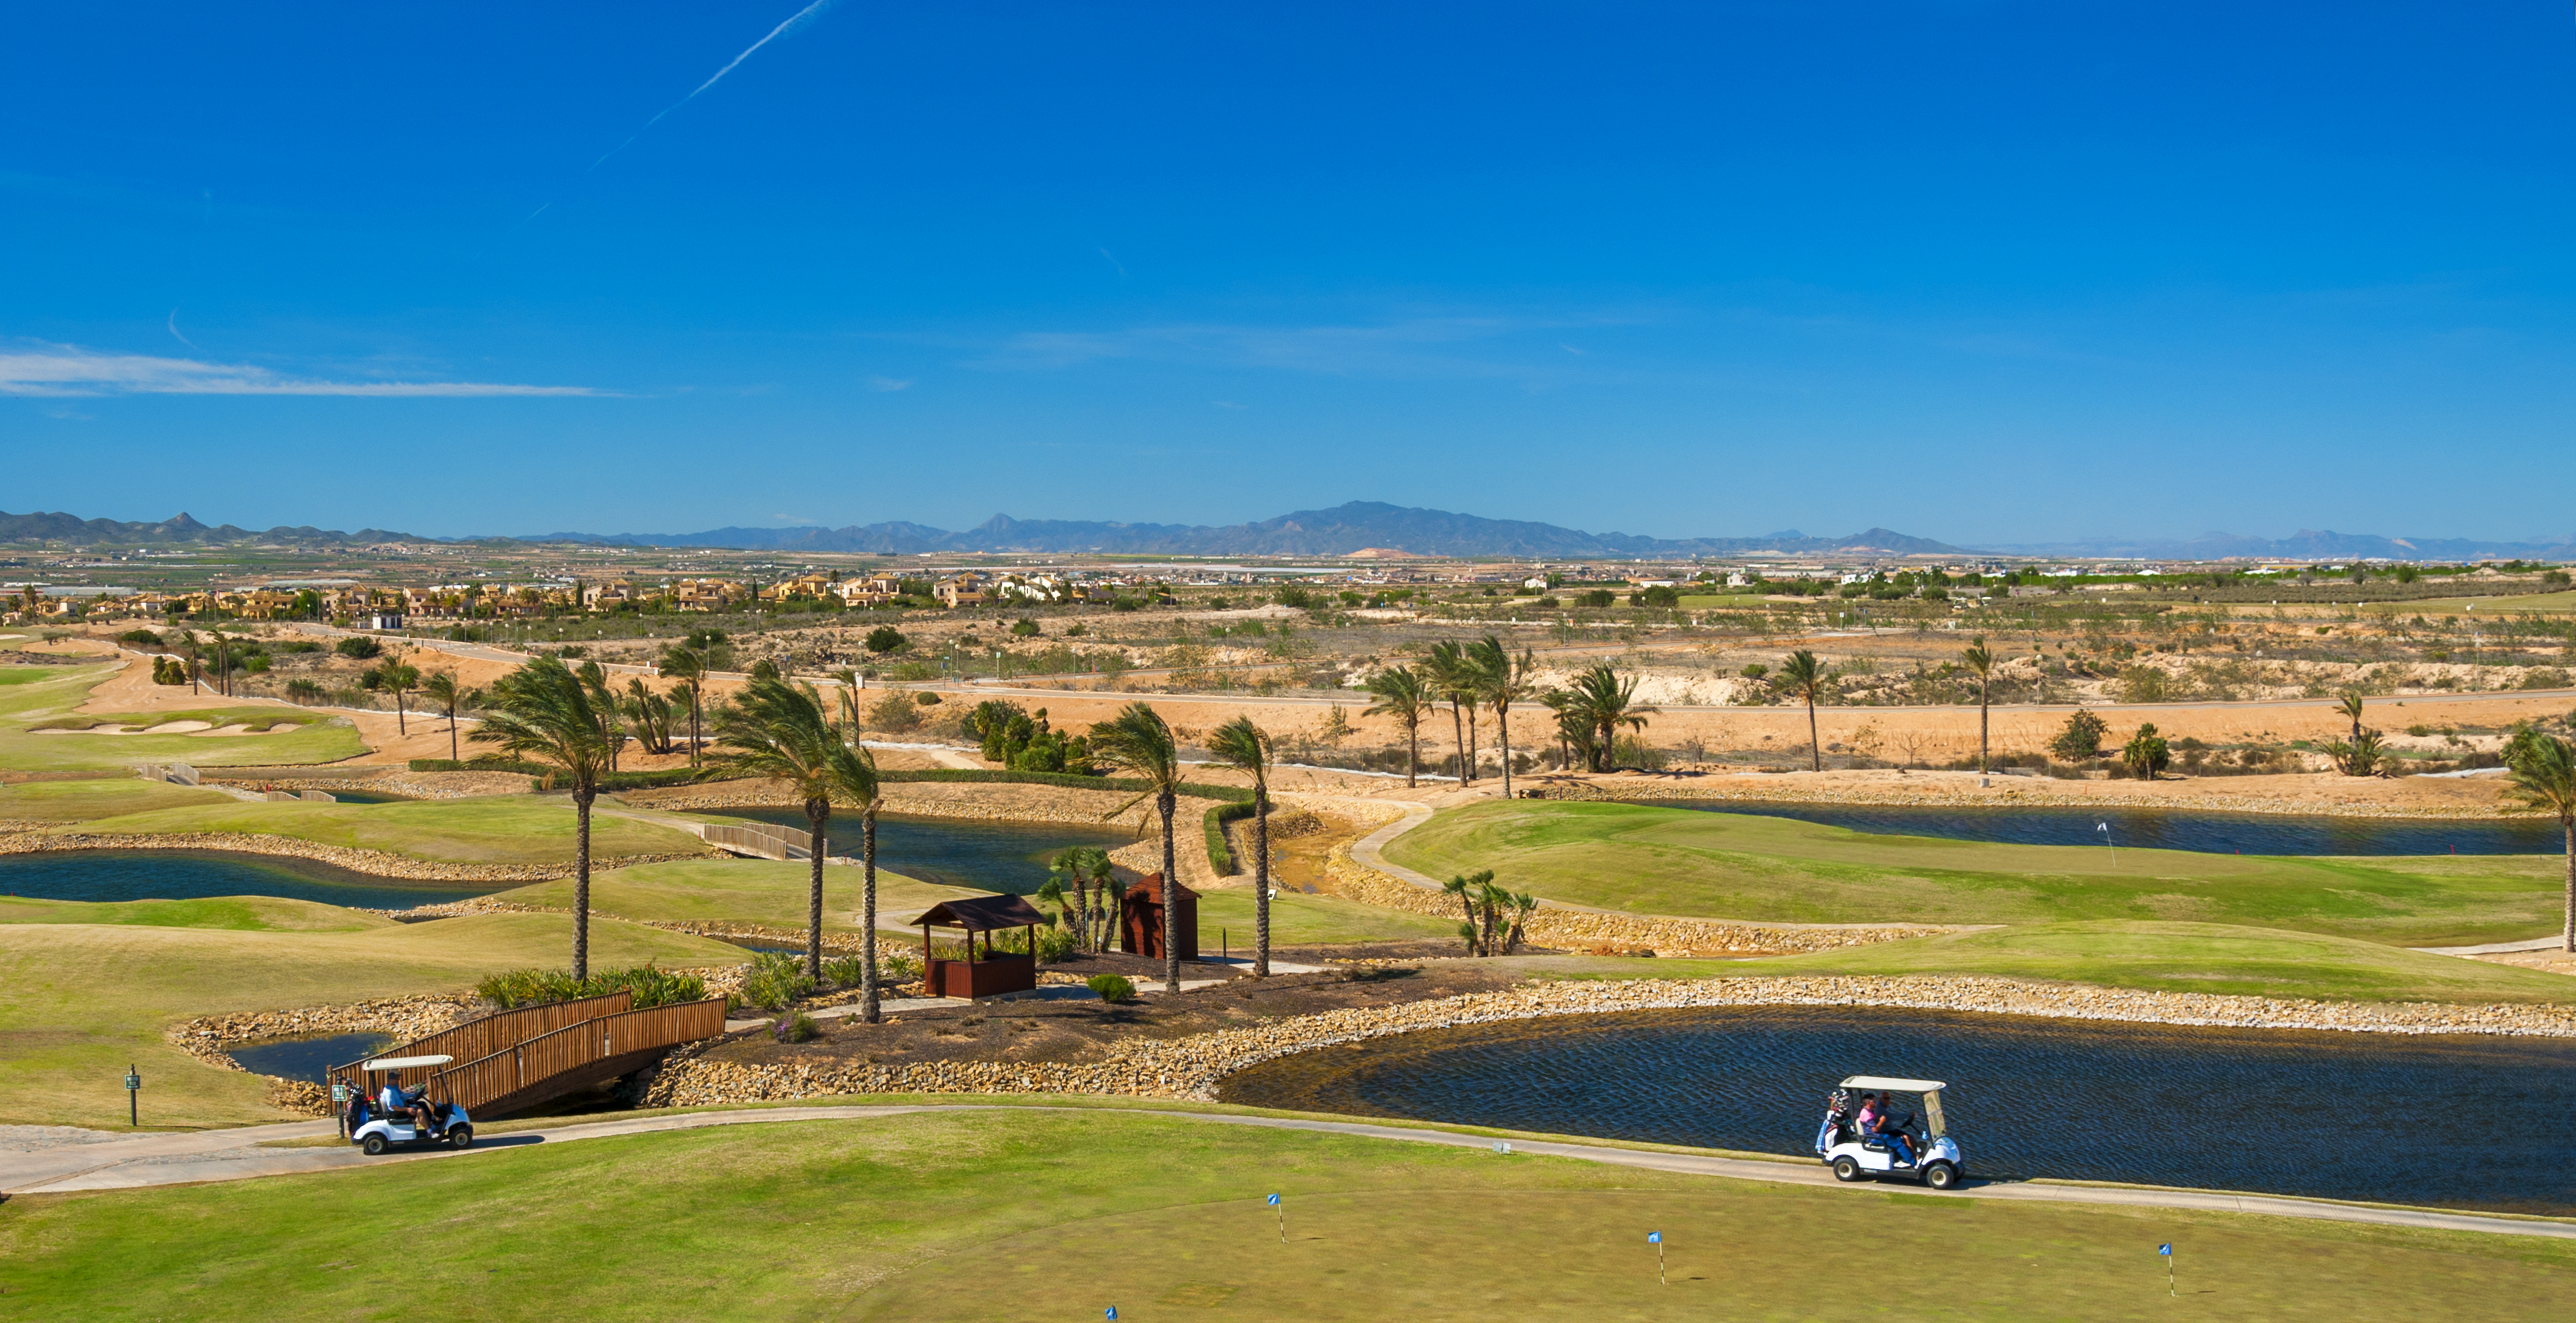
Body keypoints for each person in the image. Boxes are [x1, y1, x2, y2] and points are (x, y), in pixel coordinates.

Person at [1815, 1089, 1851, 1156]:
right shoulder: (1835, 1111)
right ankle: (1827, 1150)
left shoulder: (1841, 1111)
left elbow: (1839, 1118)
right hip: (1832, 1125)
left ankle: (1829, 1151)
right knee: (1828, 1136)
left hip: (1837, 1126)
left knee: (1829, 1136)